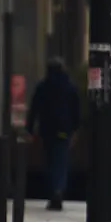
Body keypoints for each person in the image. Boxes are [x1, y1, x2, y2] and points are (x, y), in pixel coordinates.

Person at [26, 57, 81, 211]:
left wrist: (29, 130)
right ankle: (58, 190)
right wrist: (75, 130)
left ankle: (53, 192)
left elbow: (34, 109)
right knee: (61, 160)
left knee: (50, 160)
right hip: (64, 130)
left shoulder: (43, 86)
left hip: (47, 130)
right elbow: (76, 111)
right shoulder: (70, 87)